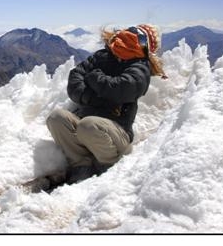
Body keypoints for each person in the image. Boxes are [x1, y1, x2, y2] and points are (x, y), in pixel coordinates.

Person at [46, 24, 167, 185]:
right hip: (88, 123)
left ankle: (108, 167)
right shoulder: (103, 56)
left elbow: (124, 89)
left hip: (118, 132)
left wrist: (94, 76)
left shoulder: (140, 66)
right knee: (56, 118)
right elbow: (74, 81)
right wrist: (96, 98)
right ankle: (81, 165)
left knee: (88, 125)